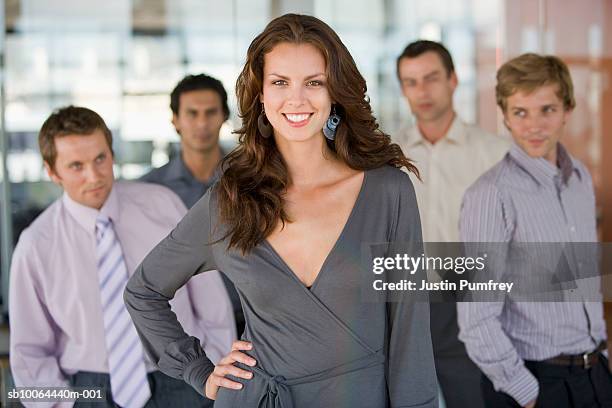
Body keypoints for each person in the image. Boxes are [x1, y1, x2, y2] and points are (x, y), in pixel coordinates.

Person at [125, 13, 437, 408]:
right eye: (280, 82)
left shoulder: (387, 191)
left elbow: (410, 329)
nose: (297, 99)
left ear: (335, 92)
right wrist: (200, 373)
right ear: (260, 96)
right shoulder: (229, 201)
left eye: (314, 82)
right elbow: (144, 291)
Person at [9, 106, 235, 408]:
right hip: (90, 390)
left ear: (112, 154)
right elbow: (30, 350)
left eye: (100, 159)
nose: (94, 176)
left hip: (184, 378)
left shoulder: (161, 204)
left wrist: (212, 371)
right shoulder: (36, 244)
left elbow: (211, 299)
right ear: (52, 172)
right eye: (76, 165)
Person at [458, 53, 611, 408]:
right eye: (520, 112)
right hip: (536, 383)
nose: (534, 126)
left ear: (567, 110)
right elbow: (476, 318)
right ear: (506, 117)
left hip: (594, 373)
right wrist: (529, 394)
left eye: (547, 110)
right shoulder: (490, 195)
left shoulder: (581, 180)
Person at [394, 40, 509, 408]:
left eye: (431, 78)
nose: (422, 91)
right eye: (411, 82)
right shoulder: (386, 157)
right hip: (404, 304)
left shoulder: (494, 153)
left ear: (454, 80)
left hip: (473, 306)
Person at [141, 73, 244, 336]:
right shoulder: (148, 190)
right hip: (180, 325)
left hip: (249, 319)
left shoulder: (251, 178)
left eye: (210, 113)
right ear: (175, 120)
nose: (202, 123)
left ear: (223, 117)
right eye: (192, 113)